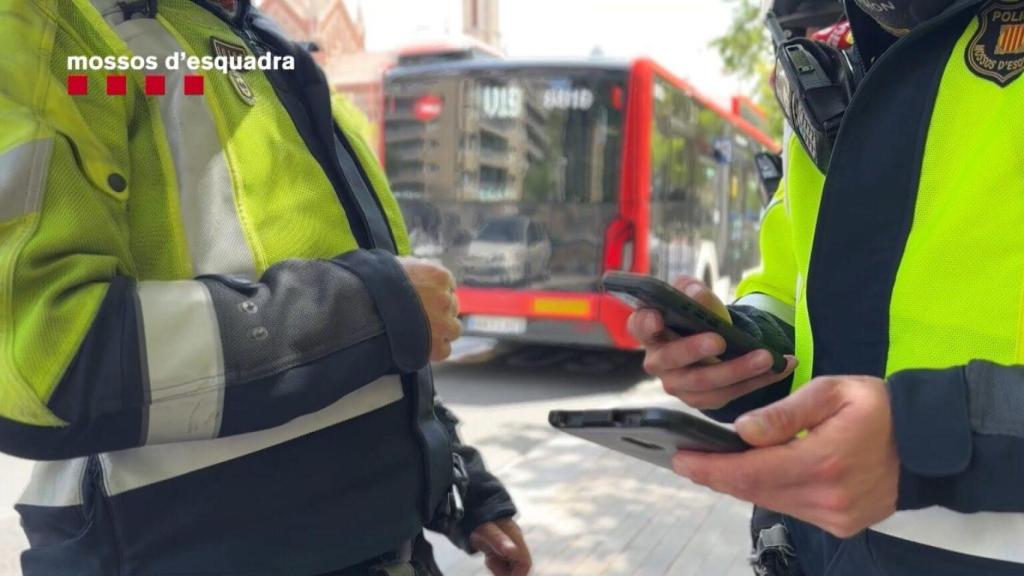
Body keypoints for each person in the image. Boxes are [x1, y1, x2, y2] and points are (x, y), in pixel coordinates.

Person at [0, 1, 531, 575]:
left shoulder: (272, 51)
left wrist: (451, 474)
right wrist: (377, 309)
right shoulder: (60, 26)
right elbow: (42, 365)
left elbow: (373, 354)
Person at [629, 0, 1024, 574]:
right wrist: (741, 351)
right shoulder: (831, 54)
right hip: (812, 547)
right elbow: (789, 279)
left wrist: (927, 437)